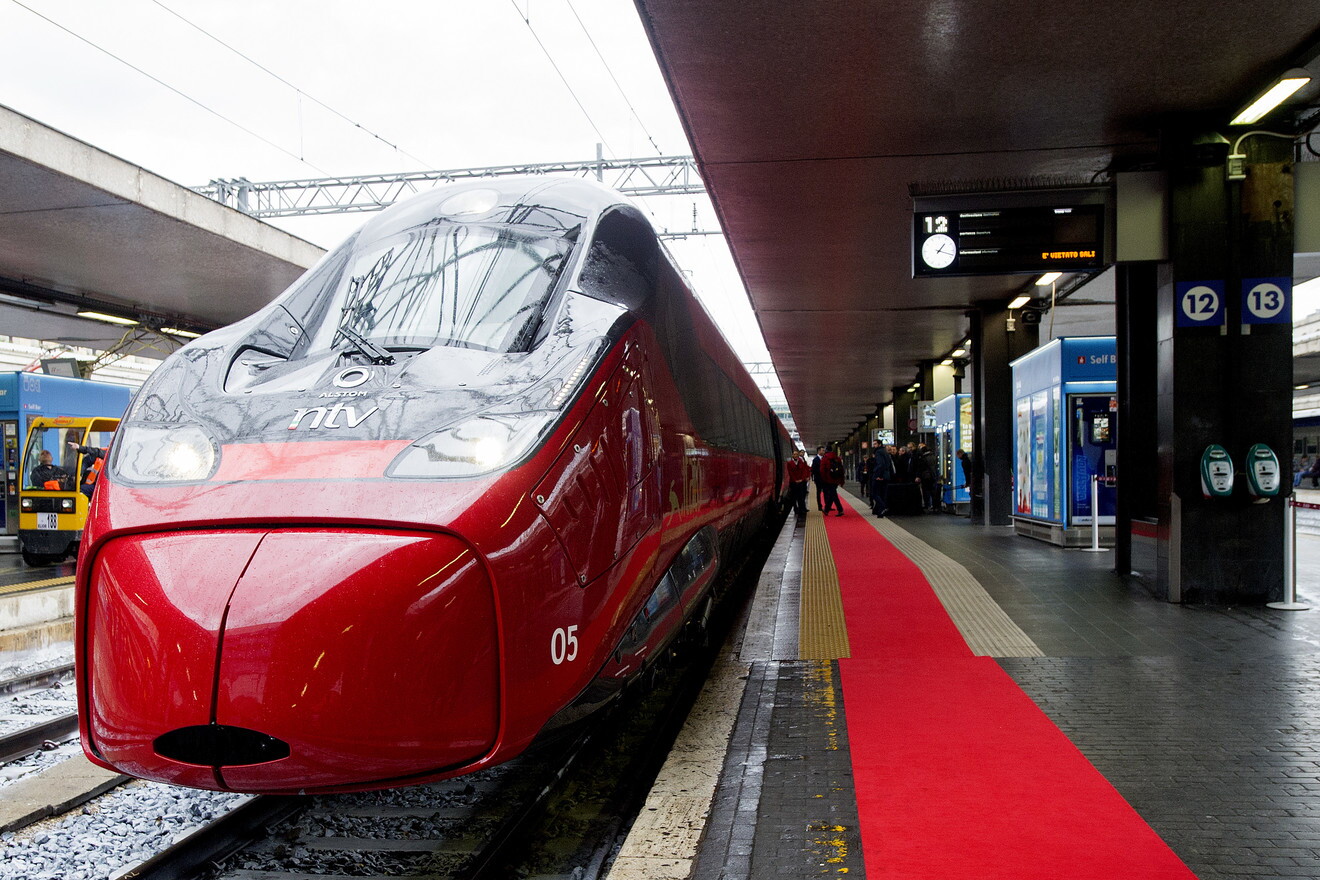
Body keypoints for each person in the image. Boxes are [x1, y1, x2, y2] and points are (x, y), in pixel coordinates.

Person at [819, 445, 846, 516]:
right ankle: (826, 510)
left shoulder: (825, 458)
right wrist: (841, 480)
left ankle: (840, 510)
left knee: (833, 495)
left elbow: (822, 470)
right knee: (832, 494)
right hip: (836, 479)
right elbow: (841, 470)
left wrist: (824, 479)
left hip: (828, 480)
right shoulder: (837, 458)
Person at [787, 448, 812, 522]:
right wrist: (795, 480)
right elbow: (790, 473)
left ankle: (802, 509)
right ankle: (795, 508)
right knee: (794, 496)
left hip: (800, 481)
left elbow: (803, 471)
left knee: (801, 496)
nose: (795, 455)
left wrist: (802, 479)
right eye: (794, 454)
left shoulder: (801, 462)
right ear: (792, 455)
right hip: (793, 482)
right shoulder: (789, 463)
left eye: (797, 454)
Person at [869, 444, 895, 517]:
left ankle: (883, 507)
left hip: (879, 476)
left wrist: (879, 475)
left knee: (875, 493)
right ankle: (879, 511)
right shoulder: (886, 454)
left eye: (875, 444)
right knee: (882, 494)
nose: (873, 445)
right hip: (886, 476)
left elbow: (881, 464)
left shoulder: (879, 453)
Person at [810, 445, 827, 511]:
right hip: (818, 479)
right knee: (818, 492)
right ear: (819, 451)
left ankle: (827, 506)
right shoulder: (815, 460)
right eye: (822, 450)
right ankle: (820, 506)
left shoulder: (825, 458)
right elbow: (813, 470)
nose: (824, 451)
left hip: (825, 479)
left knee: (826, 492)